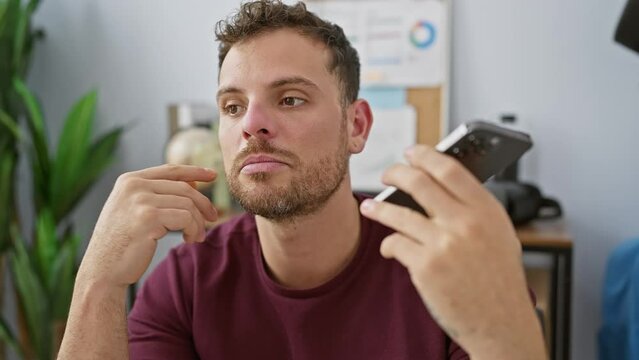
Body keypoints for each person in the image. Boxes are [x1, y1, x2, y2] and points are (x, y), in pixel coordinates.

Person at [57, 1, 546, 359]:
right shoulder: (186, 282)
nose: (252, 123)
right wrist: (96, 281)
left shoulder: (443, 269)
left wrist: (503, 338)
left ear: (356, 126)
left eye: (290, 98)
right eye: (232, 106)